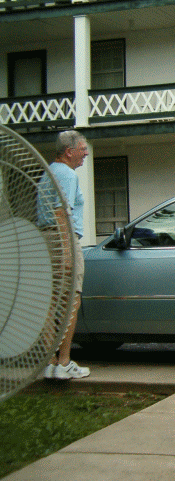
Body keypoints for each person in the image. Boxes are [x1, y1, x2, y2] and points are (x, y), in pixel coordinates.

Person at [39, 131, 91, 380]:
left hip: (46, 239)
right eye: (82, 149)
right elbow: (62, 211)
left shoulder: (49, 172)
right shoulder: (68, 175)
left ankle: (50, 363)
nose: (86, 153)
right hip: (63, 238)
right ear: (69, 152)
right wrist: (68, 252)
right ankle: (64, 362)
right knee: (73, 297)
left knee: (51, 301)